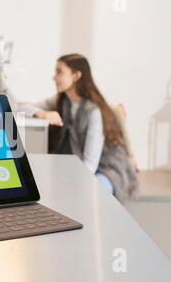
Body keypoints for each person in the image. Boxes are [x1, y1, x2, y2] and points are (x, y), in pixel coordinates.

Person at [19, 54, 138, 203]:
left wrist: (69, 185)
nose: (54, 77)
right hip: (77, 167)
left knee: (92, 195)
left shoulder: (93, 111)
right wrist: (42, 113)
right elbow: (19, 106)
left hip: (105, 168)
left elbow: (90, 164)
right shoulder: (61, 101)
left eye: (59, 72)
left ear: (76, 76)